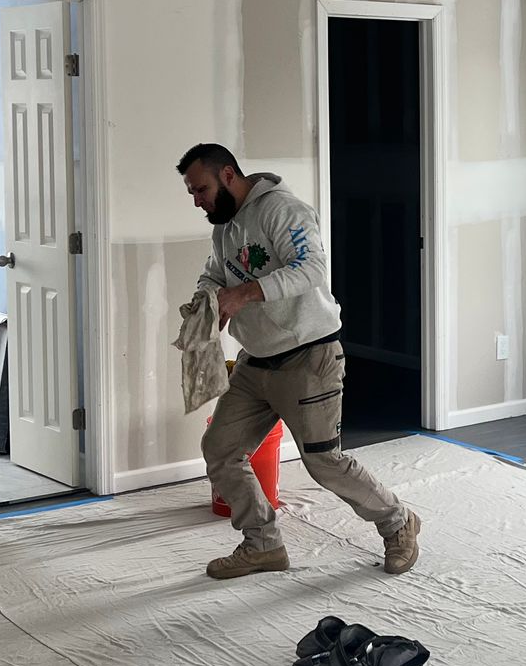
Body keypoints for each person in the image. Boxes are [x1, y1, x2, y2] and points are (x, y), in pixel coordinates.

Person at [178, 143, 421, 579]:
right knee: (220, 450)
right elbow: (215, 272)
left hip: (310, 356)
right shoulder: (225, 225)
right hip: (257, 360)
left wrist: (243, 295)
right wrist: (207, 302)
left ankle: (399, 522)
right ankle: (263, 545)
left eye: (201, 189)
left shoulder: (283, 210)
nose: (197, 200)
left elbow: (311, 269)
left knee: (323, 461)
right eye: (193, 193)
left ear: (228, 175)